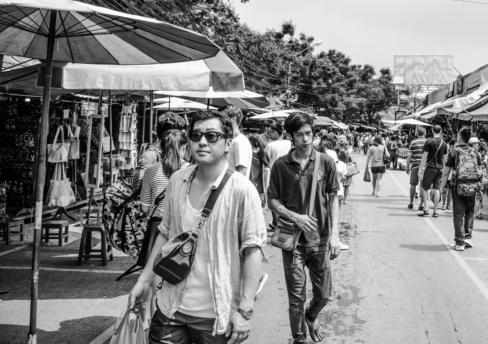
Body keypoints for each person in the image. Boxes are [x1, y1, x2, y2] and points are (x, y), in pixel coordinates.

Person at [128, 110, 266, 344]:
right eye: (196, 135)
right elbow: (164, 234)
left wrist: (244, 310)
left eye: (212, 136)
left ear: (227, 143)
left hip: (215, 315)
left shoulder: (242, 190)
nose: (202, 141)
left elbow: (253, 250)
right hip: (170, 306)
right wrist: (143, 281)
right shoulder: (177, 180)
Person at [268, 112, 341, 344]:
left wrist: (335, 235)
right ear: (291, 136)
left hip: (319, 240)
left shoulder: (326, 162)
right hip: (293, 242)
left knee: (324, 294)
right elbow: (272, 200)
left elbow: (333, 199)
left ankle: (311, 316)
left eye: (309, 134)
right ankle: (299, 339)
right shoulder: (280, 165)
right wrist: (294, 216)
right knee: (296, 297)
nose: (306, 139)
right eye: (300, 135)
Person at [137, 129, 189, 271]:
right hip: (183, 226)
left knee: (153, 271)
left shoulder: (151, 171)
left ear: (161, 148)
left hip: (157, 227)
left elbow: (145, 208)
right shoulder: (192, 171)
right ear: (184, 147)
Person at [440, 127, 483, 251]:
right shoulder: (476, 152)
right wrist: (480, 187)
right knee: (470, 211)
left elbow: (446, 172)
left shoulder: (454, 151)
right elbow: (480, 171)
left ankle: (459, 242)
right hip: (473, 186)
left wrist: (442, 187)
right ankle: (467, 238)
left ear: (459, 137)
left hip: (457, 186)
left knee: (458, 213)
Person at [136, 112, 187, 184]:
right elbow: (140, 186)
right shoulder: (151, 156)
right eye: (180, 134)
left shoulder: (178, 153)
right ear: (171, 135)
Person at [418, 125, 448, 218]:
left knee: (424, 187)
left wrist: (421, 169)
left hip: (430, 168)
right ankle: (435, 211)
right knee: (437, 189)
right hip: (440, 169)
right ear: (441, 131)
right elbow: (445, 159)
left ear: (432, 130)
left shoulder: (429, 141)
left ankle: (426, 208)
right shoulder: (444, 143)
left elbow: (424, 157)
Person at [221, 105, 252, 178]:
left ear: (233, 119)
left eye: (222, 118)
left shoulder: (240, 142)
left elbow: (242, 173)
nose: (221, 121)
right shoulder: (232, 140)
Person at [407, 127, 427, 210]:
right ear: (424, 133)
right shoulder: (427, 142)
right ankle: (421, 204)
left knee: (413, 185)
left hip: (415, 166)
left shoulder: (413, 142)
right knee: (422, 186)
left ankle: (411, 202)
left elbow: (409, 155)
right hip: (424, 167)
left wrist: (407, 166)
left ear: (417, 133)